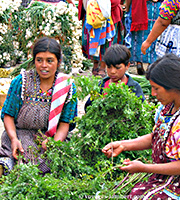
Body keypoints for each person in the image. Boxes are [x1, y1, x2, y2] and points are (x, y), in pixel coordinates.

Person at [102, 54, 180, 199]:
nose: (153, 93)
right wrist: (123, 145)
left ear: (173, 86)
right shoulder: (171, 106)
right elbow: (158, 137)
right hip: (169, 176)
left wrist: (144, 168)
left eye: (156, 88)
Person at [0, 37, 77, 177]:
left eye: (49, 60)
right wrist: (13, 139)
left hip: (51, 138)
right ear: (33, 60)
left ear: (58, 62)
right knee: (15, 164)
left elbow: (65, 123)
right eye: (39, 60)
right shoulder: (21, 82)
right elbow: (8, 115)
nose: (44, 65)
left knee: (56, 166)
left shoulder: (66, 87)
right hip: (21, 135)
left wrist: (54, 143)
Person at [84, 44, 145, 112]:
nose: (112, 72)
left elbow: (140, 108)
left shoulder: (133, 87)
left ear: (127, 66)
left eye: (117, 68)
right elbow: (88, 108)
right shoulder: (101, 85)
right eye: (109, 67)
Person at [78, 0, 124, 78]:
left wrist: (102, 7)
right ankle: (95, 64)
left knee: (106, 43)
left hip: (109, 15)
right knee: (91, 40)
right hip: (91, 14)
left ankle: (103, 66)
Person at [123, 0, 163, 75]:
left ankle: (139, 63)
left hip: (138, 7)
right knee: (154, 33)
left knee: (138, 35)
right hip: (153, 7)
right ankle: (150, 64)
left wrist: (128, 7)